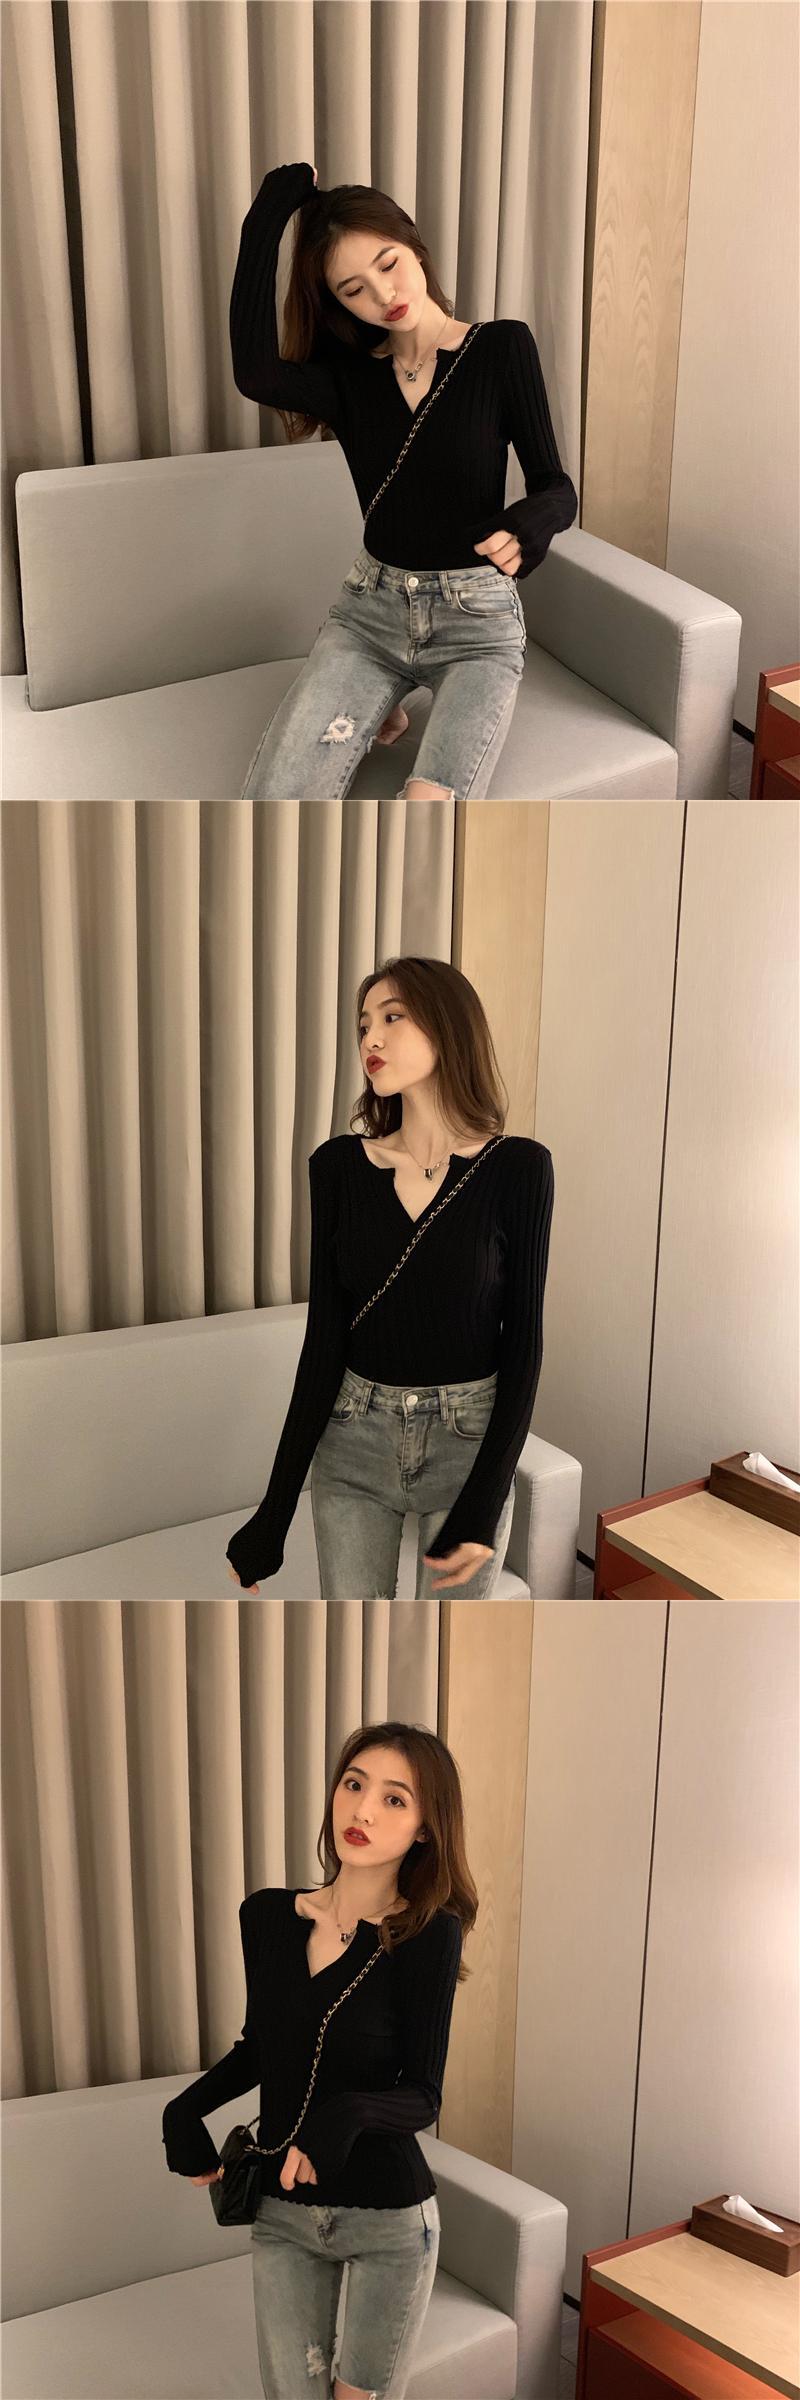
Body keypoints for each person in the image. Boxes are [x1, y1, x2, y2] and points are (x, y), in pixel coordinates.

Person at [230, 161, 578, 801]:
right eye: (353, 289)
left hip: (476, 624)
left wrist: (532, 522)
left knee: (426, 815)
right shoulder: (348, 377)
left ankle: (385, 703)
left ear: (413, 244)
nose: (382, 293)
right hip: (370, 616)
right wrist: (266, 218)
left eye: (388, 263)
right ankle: (378, 698)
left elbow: (557, 486)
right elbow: (254, 374)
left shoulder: (501, 348)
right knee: (276, 802)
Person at [162, 1721, 476, 2400]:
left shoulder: (428, 1935)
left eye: (394, 1799)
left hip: (388, 2222)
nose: (363, 1810)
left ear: (425, 1828)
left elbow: (424, 2096)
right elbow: (261, 2049)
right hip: (283, 2216)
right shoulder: (268, 1917)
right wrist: (184, 2110)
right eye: (354, 1785)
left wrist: (346, 2115)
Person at [225, 955, 555, 1599]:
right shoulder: (337, 1167)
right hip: (354, 1441)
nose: (369, 1039)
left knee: (447, 1643)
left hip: (467, 1442)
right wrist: (274, 1513)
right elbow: (324, 1343)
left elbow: (524, 1345)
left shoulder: (519, 1169)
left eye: (392, 1018)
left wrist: (486, 1501)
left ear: (449, 1027)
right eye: (363, 1025)